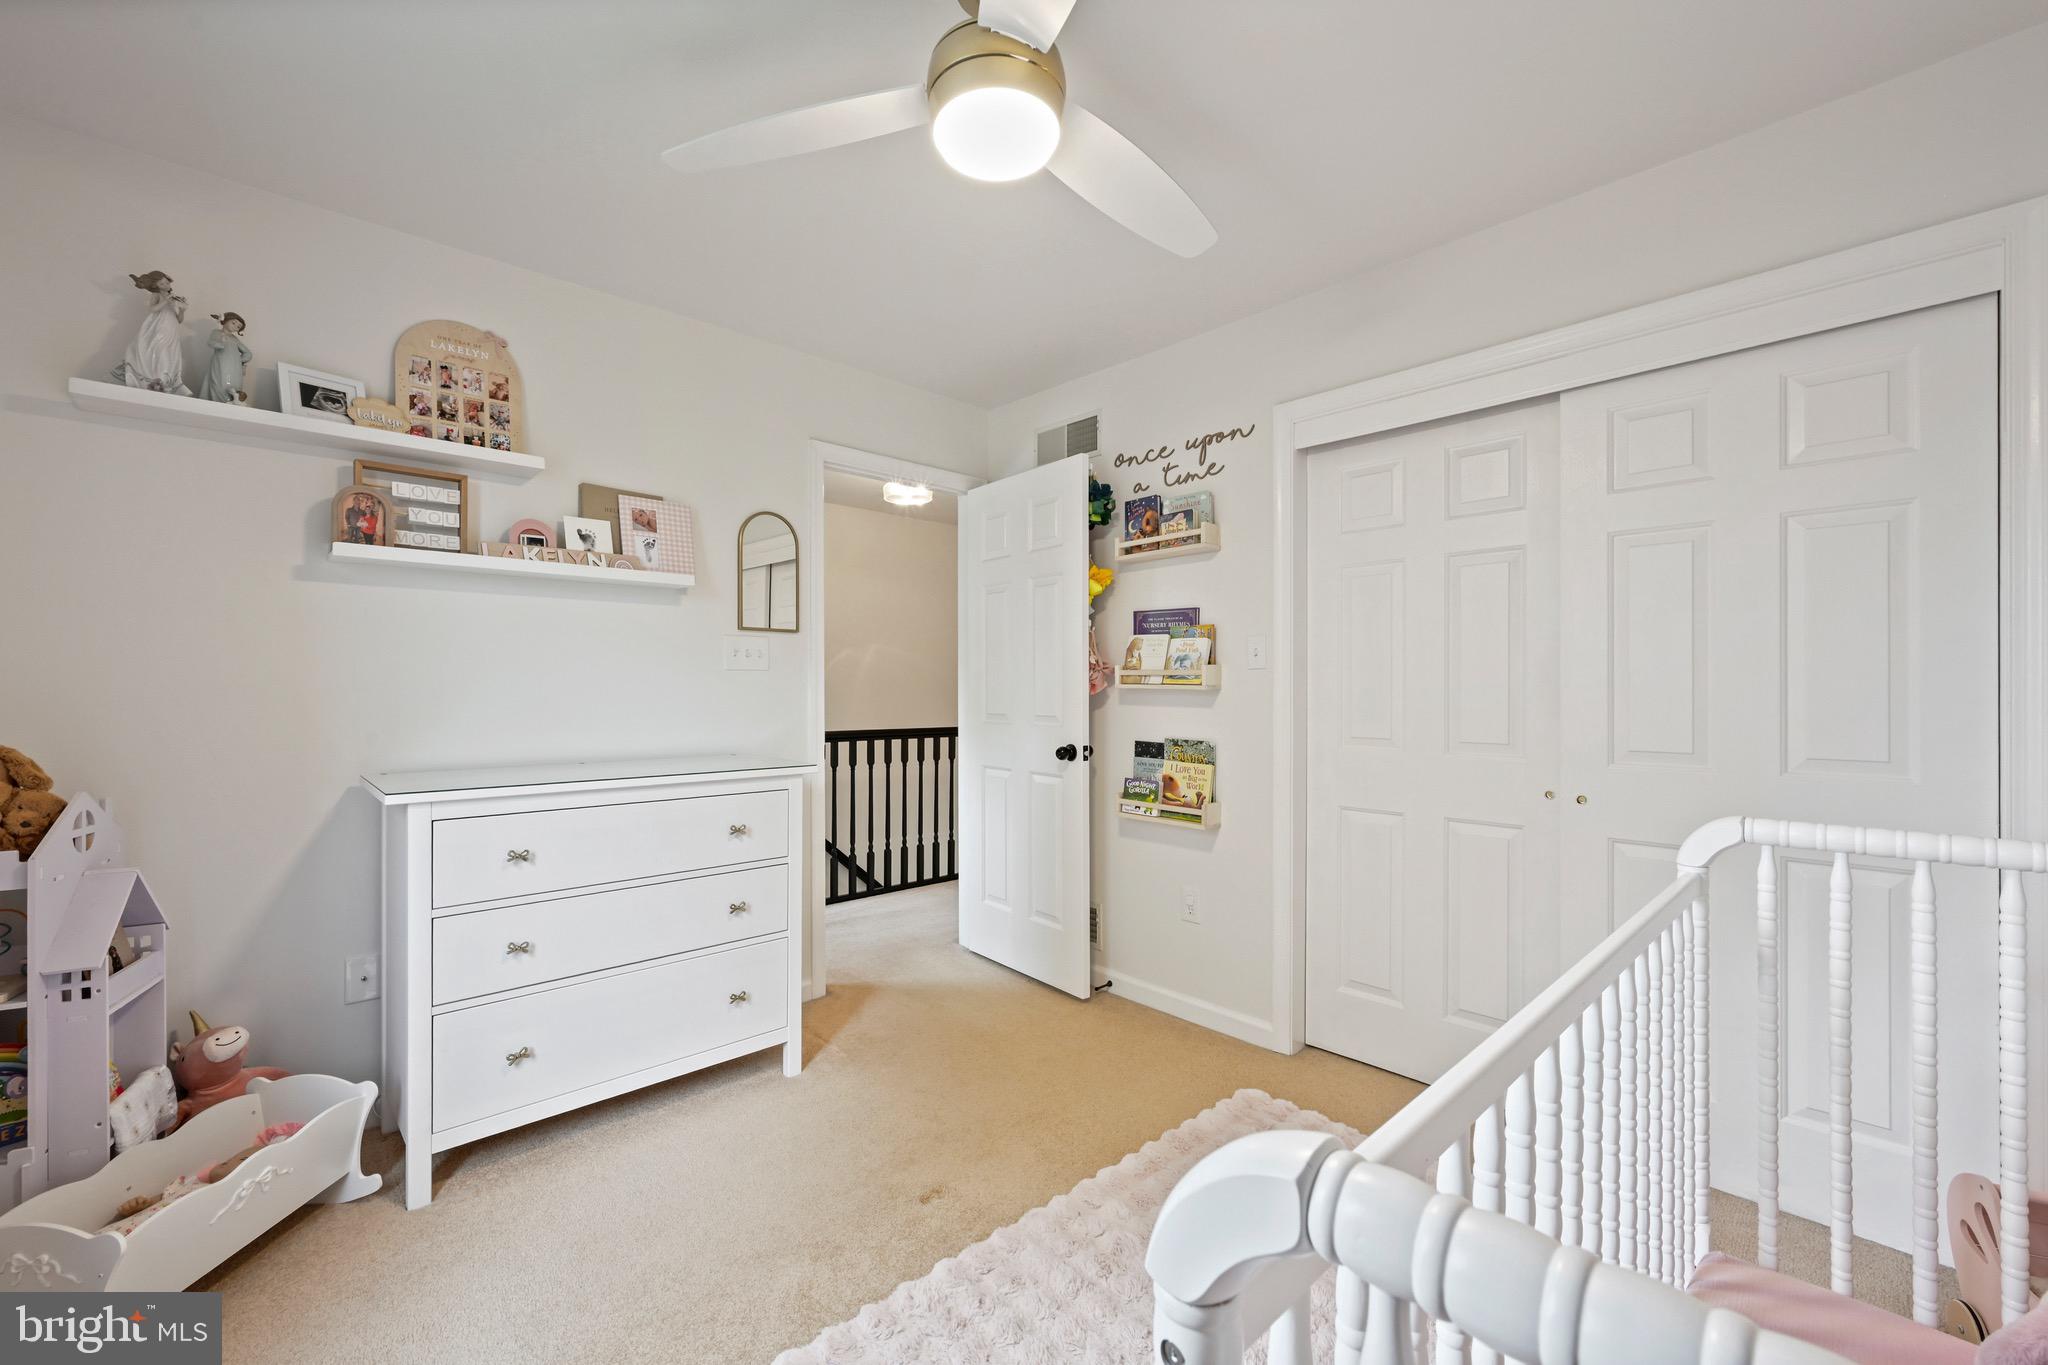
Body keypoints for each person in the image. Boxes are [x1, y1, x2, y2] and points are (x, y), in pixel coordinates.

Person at [112, 271, 190, 394]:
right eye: (162, 283)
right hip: (159, 328)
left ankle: (164, 382)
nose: (166, 285)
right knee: (158, 351)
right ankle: (154, 380)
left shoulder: (174, 299)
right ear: (156, 286)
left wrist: (182, 310)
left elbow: (179, 320)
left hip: (171, 331)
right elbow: (152, 309)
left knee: (170, 356)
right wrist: (166, 301)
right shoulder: (157, 295)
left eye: (166, 282)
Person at [199, 312, 250, 404]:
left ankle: (231, 403)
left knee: (233, 386)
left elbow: (248, 353)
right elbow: (211, 343)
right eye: (233, 323)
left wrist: (240, 361)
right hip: (220, 363)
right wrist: (221, 343)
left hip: (234, 368)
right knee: (219, 384)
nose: (235, 326)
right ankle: (219, 405)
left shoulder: (235, 339)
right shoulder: (216, 332)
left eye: (238, 327)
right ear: (225, 320)